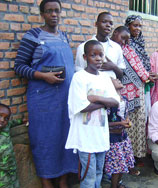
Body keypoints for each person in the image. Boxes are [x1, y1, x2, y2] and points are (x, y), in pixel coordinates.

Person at [14, 0, 78, 187]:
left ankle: (63, 179)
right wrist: (43, 76)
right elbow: (19, 67)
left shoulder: (64, 37)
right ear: (42, 14)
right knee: (44, 138)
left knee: (65, 136)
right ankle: (46, 180)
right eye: (49, 11)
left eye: (57, 11)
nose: (53, 15)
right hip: (43, 98)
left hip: (65, 98)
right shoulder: (33, 36)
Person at [65, 40, 119, 188]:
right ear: (84, 57)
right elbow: (81, 106)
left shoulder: (104, 78)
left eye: (101, 55)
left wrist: (95, 98)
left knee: (98, 173)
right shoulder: (79, 77)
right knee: (88, 176)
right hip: (85, 137)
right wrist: (105, 103)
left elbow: (115, 101)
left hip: (100, 136)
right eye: (93, 55)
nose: (98, 58)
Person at [111, 26, 150, 174]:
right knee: (122, 127)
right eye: (123, 38)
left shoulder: (129, 50)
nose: (125, 42)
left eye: (127, 40)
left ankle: (134, 158)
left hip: (136, 93)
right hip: (119, 93)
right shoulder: (109, 50)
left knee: (136, 126)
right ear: (115, 34)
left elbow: (142, 71)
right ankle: (120, 164)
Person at [124, 15, 152, 161]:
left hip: (141, 87)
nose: (137, 29)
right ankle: (128, 157)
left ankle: (138, 154)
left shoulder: (140, 44)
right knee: (128, 122)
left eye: (140, 26)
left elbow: (144, 66)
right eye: (135, 25)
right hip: (127, 89)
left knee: (141, 119)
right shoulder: (124, 44)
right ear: (128, 26)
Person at [75, 12, 125, 79]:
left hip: (112, 88)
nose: (108, 25)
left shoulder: (117, 48)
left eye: (111, 23)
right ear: (96, 24)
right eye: (104, 22)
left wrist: (114, 67)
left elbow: (122, 75)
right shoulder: (83, 47)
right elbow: (79, 73)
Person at [104, 78, 135, 188]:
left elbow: (126, 115)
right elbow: (103, 123)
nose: (118, 79)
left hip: (122, 136)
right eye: (114, 79)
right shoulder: (108, 102)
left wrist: (127, 121)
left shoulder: (124, 99)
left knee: (124, 162)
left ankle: (117, 184)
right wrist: (120, 123)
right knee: (117, 166)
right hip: (113, 138)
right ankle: (114, 185)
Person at [0, 104, 19, 188]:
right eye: (0, 116)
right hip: (2, 174)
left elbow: (12, 123)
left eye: (6, 118)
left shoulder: (6, 127)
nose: (2, 120)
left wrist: (22, 121)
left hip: (12, 169)